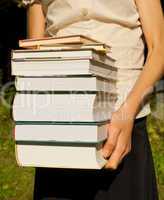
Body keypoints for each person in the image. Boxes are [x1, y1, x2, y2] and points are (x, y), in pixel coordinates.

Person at [22, 0, 164, 199]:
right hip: (60, 119)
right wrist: (30, 114)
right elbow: (34, 52)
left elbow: (159, 48)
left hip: (123, 116)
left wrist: (127, 112)